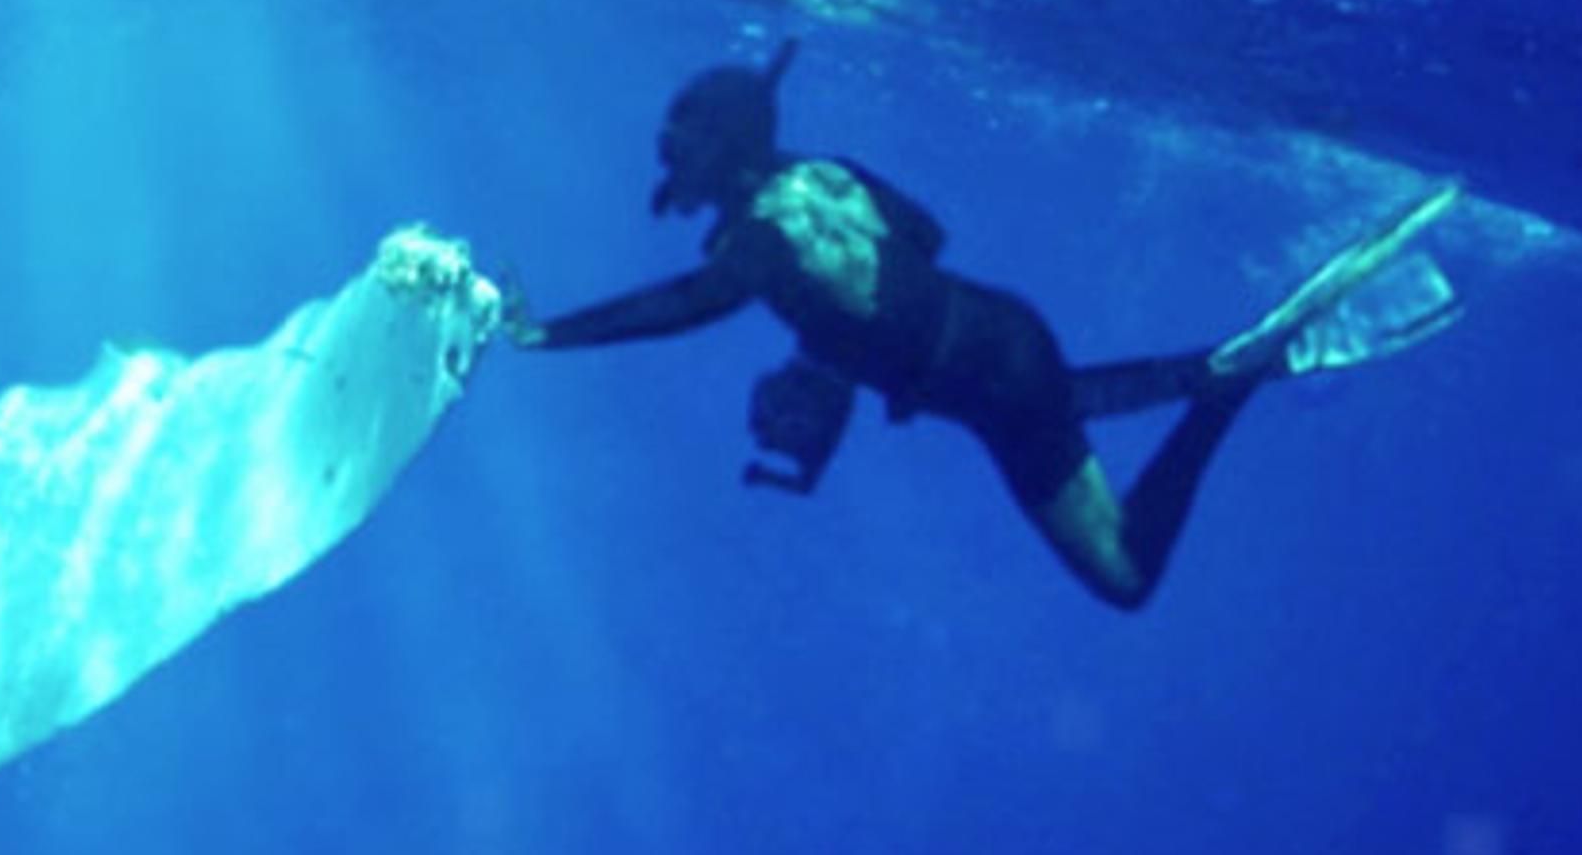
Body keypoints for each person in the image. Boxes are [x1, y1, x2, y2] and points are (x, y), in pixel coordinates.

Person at [506, 41, 1460, 610]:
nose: (665, 140)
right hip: (1006, 334)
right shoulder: (824, 173)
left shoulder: (753, 245)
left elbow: (682, 307)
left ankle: (1225, 388)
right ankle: (1204, 377)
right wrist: (844, 339)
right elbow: (922, 234)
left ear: (725, 138)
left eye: (682, 125)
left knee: (1125, 576)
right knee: (1054, 400)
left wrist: (548, 334)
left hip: (992, 386)